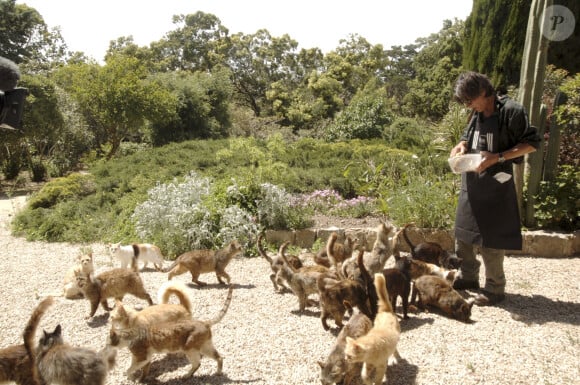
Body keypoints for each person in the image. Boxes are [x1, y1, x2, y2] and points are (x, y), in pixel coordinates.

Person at [450, 71, 540, 305]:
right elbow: (466, 136)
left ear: (482, 92)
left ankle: (494, 288)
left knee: (492, 239)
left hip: (497, 185)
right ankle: (468, 276)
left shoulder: (512, 111)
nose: (468, 106)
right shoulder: (476, 111)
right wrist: (460, 146)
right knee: (464, 235)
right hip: (472, 183)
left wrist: (498, 157)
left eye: (470, 101)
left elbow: (531, 144)